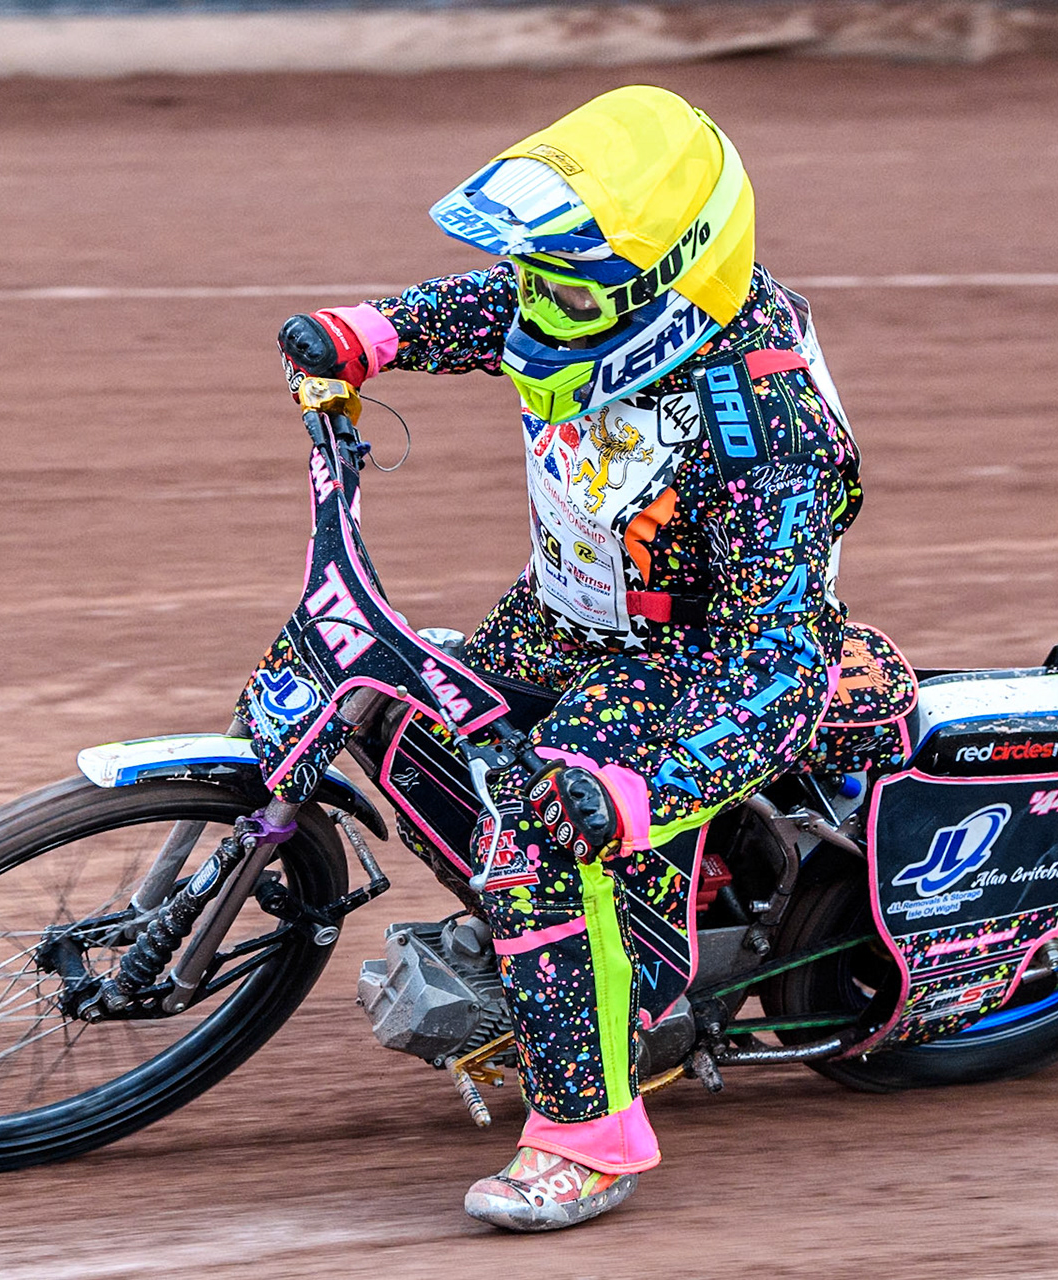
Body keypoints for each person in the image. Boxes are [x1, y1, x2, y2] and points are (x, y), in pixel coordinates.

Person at [278, 85, 863, 1232]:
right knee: (398, 704)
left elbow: (781, 659)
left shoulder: (766, 429)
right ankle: (582, 955)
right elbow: (509, 297)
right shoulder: (601, 300)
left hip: (701, 668)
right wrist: (374, 332)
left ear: (674, 278)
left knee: (535, 837)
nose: (541, 307)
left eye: (571, 286)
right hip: (566, 617)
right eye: (547, 276)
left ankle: (592, 1133)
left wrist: (634, 785)